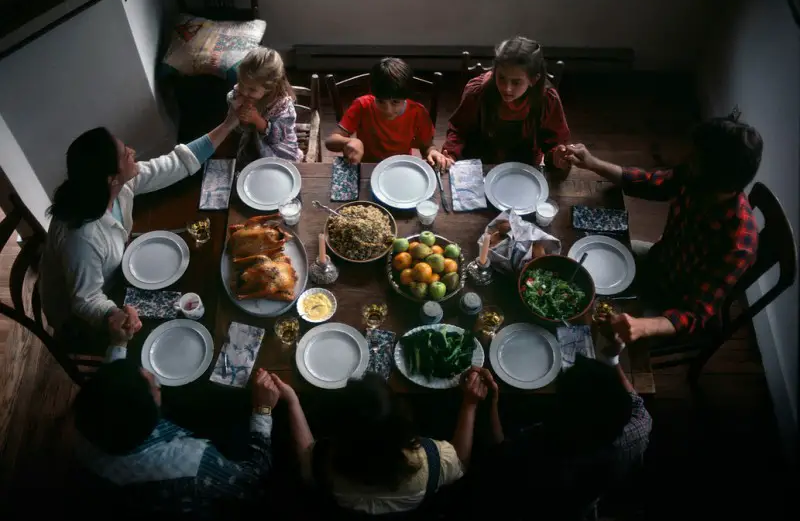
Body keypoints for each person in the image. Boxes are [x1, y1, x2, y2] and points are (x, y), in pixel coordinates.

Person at [39, 111, 240, 339]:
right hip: (79, 319)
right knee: (190, 317)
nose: (133, 152)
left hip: (116, 271)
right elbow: (85, 300)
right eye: (126, 155)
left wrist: (228, 124)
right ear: (111, 179)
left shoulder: (104, 187)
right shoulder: (82, 238)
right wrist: (113, 314)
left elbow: (174, 164)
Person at [564, 114, 762, 342]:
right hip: (656, 261)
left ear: (717, 180)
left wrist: (642, 327)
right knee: (575, 271)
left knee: (593, 335)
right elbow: (650, 183)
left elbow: (696, 315)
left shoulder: (738, 243)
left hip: (670, 307)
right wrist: (592, 163)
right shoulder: (695, 176)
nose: (685, 160)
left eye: (694, 160)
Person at [72, 328, 277, 517]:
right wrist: (263, 409)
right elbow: (251, 482)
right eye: (155, 389)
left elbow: (111, 383)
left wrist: (119, 342)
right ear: (151, 420)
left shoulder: (91, 416)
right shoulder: (188, 460)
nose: (156, 381)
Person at [466, 342, 652, 520]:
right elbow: (636, 403)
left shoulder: (536, 454)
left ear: (559, 411)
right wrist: (612, 360)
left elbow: (499, 452)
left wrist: (490, 402)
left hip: (532, 505)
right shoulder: (637, 431)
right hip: (584, 502)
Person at [275, 370, 487, 517]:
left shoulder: (320, 464)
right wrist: (469, 405)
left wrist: (292, 401)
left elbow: (305, 454)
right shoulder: (433, 461)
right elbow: (460, 462)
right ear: (402, 424)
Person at [443, 36, 572, 171]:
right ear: (494, 72)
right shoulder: (477, 93)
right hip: (478, 166)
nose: (507, 88)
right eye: (501, 78)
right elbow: (458, 130)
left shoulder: (547, 100)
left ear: (533, 80)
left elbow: (554, 142)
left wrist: (557, 156)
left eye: (516, 82)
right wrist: (451, 155)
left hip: (522, 170)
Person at [324, 57, 452, 170]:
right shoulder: (362, 106)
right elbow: (330, 141)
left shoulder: (418, 112)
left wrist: (433, 152)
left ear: (406, 97)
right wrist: (347, 142)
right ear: (373, 94)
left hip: (401, 166)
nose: (388, 109)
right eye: (380, 101)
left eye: (395, 102)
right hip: (368, 167)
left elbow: (426, 146)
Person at [227, 46, 302, 162]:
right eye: (242, 84)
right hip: (252, 143)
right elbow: (236, 128)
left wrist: (257, 120)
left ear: (269, 88)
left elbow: (277, 138)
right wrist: (239, 115)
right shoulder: (239, 95)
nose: (245, 92)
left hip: (277, 149)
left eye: (252, 90)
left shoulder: (282, 106)